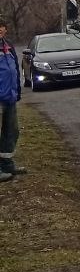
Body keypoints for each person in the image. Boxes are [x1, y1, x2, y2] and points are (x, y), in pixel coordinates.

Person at [0, 21, 24, 183]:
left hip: (10, 97)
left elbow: (14, 69)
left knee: (12, 131)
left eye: (2, 27)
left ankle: (7, 164)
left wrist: (17, 92)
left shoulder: (8, 46)